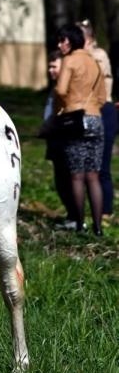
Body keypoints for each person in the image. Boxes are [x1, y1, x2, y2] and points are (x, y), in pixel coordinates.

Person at [55, 23, 105, 237]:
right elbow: (102, 96)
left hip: (75, 120)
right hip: (96, 119)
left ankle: (79, 224)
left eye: (62, 40)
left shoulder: (70, 60)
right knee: (93, 176)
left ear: (71, 40)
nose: (59, 44)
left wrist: (66, 106)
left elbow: (61, 89)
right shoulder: (94, 62)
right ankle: (98, 227)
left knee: (76, 176)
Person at [80, 19, 116, 219]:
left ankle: (106, 211)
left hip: (103, 111)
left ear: (89, 38)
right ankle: (92, 209)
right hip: (89, 112)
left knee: (102, 166)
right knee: (86, 166)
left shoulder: (98, 55)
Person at [39, 52, 78, 228]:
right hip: (54, 139)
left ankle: (76, 218)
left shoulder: (66, 88)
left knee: (67, 180)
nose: (51, 70)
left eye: (54, 66)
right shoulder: (55, 88)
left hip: (63, 139)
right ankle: (72, 216)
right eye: (49, 66)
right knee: (60, 180)